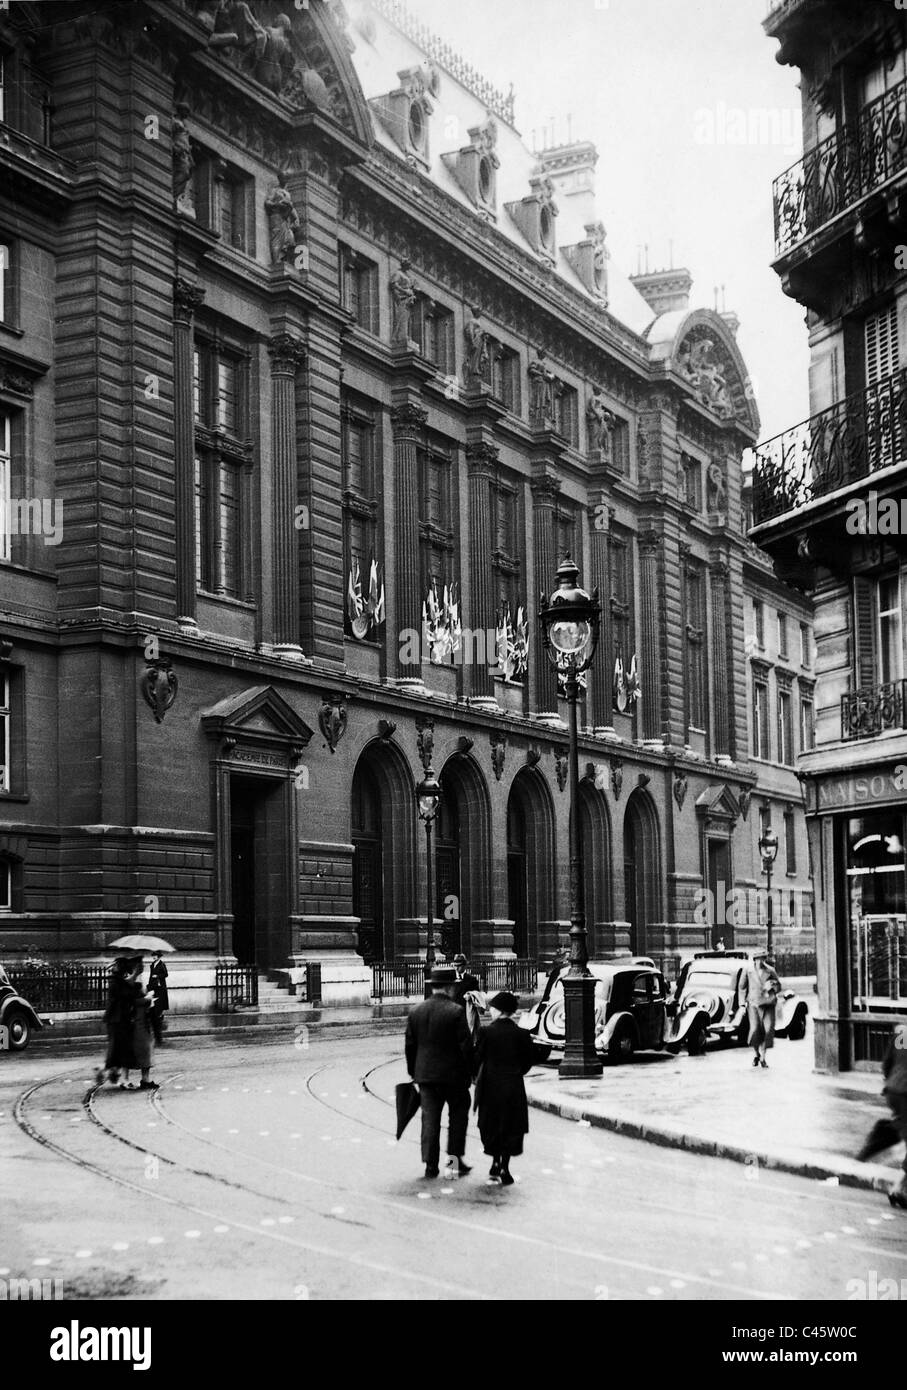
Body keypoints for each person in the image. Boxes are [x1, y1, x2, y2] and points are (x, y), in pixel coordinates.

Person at [404, 965, 474, 1179]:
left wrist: (414, 1072)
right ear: (451, 988)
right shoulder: (456, 1011)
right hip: (454, 1077)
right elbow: (466, 1047)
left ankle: (430, 1165)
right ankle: (453, 1164)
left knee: (430, 1120)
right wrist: (471, 1073)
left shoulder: (416, 1011)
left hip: (425, 1076)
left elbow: (410, 1046)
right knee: (457, 1120)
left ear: (433, 987)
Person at [474, 991, 534, 1186]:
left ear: (499, 1010)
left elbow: (477, 1058)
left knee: (491, 1124)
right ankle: (505, 1167)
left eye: (492, 1008)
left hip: (490, 1086)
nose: (490, 1011)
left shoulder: (485, 1032)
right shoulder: (522, 1034)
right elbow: (527, 1062)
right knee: (509, 1126)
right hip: (513, 1086)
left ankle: (495, 1160)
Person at [856, 1024, 907, 1209]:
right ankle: (898, 1189)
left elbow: (886, 1064)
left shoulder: (901, 1032)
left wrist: (892, 1081)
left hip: (894, 1091)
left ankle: (888, 1133)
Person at [740, 954, 782, 1068]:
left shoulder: (770, 970)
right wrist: (742, 1005)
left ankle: (763, 1057)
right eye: (758, 959)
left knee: (767, 1030)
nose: (760, 961)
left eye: (762, 958)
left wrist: (772, 985)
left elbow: (779, 987)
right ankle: (756, 1054)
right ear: (754, 960)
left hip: (768, 1004)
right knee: (755, 1030)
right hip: (753, 1004)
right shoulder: (748, 971)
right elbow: (741, 987)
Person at [452, 953, 484, 1045]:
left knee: (468, 1034)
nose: (457, 968)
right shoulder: (451, 979)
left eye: (459, 966)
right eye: (455, 966)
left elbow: (478, 995)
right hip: (454, 1011)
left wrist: (471, 996)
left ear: (464, 966)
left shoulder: (472, 979)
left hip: (467, 1011)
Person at [148, 952, 170, 1046]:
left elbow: (166, 974)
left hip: (160, 988)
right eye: (153, 955)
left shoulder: (162, 964)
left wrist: (157, 976)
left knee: (159, 1006)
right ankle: (157, 1024)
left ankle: (160, 1020)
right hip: (154, 988)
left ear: (159, 956)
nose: (153, 957)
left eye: (155, 955)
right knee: (154, 1007)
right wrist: (149, 986)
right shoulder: (152, 965)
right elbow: (150, 976)